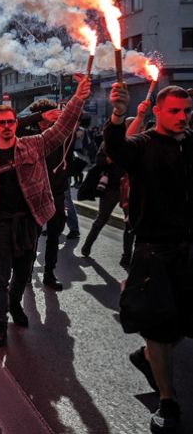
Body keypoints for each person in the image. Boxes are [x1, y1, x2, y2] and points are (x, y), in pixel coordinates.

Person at [0, 75, 89, 347]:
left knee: (22, 273)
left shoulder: (33, 145)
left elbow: (61, 130)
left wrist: (78, 98)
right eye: (2, 123)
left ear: (15, 124)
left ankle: (14, 303)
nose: (8, 127)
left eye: (11, 122)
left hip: (27, 224)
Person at [104, 84, 193, 434]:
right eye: (174, 111)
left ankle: (147, 359)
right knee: (158, 326)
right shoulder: (141, 146)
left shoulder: (191, 144)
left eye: (186, 111)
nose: (182, 117)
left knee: (183, 323)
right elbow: (114, 150)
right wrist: (118, 115)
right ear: (157, 111)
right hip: (153, 250)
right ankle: (167, 401)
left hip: (188, 249)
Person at [18, 98, 71, 291]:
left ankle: (49, 273)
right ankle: (27, 271)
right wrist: (38, 116)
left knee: (55, 234)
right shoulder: (26, 133)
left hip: (56, 191)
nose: (51, 122)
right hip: (33, 193)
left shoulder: (60, 134)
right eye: (48, 117)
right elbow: (15, 123)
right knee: (33, 236)